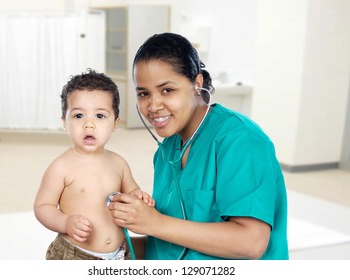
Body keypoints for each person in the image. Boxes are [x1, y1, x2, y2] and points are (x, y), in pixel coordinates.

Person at [108, 33, 289, 260]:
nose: (153, 105)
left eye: (167, 90)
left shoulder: (240, 140)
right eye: (144, 93)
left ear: (197, 84)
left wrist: (153, 222)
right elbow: (172, 242)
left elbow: (251, 243)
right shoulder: (167, 150)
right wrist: (109, 247)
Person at [33, 69, 154, 260]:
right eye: (79, 116)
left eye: (100, 116)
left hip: (120, 252)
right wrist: (65, 222)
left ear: (115, 123)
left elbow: (131, 191)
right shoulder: (61, 166)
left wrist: (138, 196)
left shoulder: (118, 162)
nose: (89, 124)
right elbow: (43, 206)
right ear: (64, 122)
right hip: (76, 255)